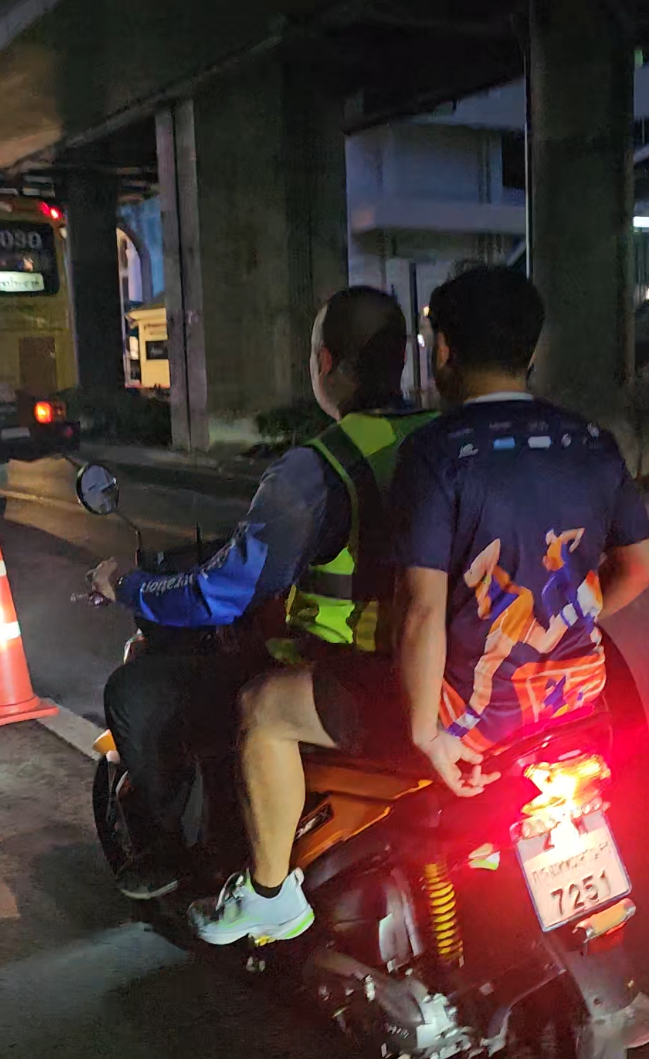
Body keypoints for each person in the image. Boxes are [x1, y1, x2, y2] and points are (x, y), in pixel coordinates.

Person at [191, 266, 649, 946]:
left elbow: (419, 613)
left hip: (476, 719)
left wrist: (426, 733)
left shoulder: (439, 452)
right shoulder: (589, 443)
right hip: (577, 710)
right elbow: (642, 567)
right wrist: (566, 618)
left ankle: (269, 896)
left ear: (442, 351)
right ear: (531, 349)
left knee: (262, 706)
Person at [91, 286, 434, 904]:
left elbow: (222, 592)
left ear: (324, 363)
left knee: (138, 692)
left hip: (348, 675)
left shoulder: (319, 468)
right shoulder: (443, 436)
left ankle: (198, 862)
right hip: (440, 672)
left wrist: (128, 586)